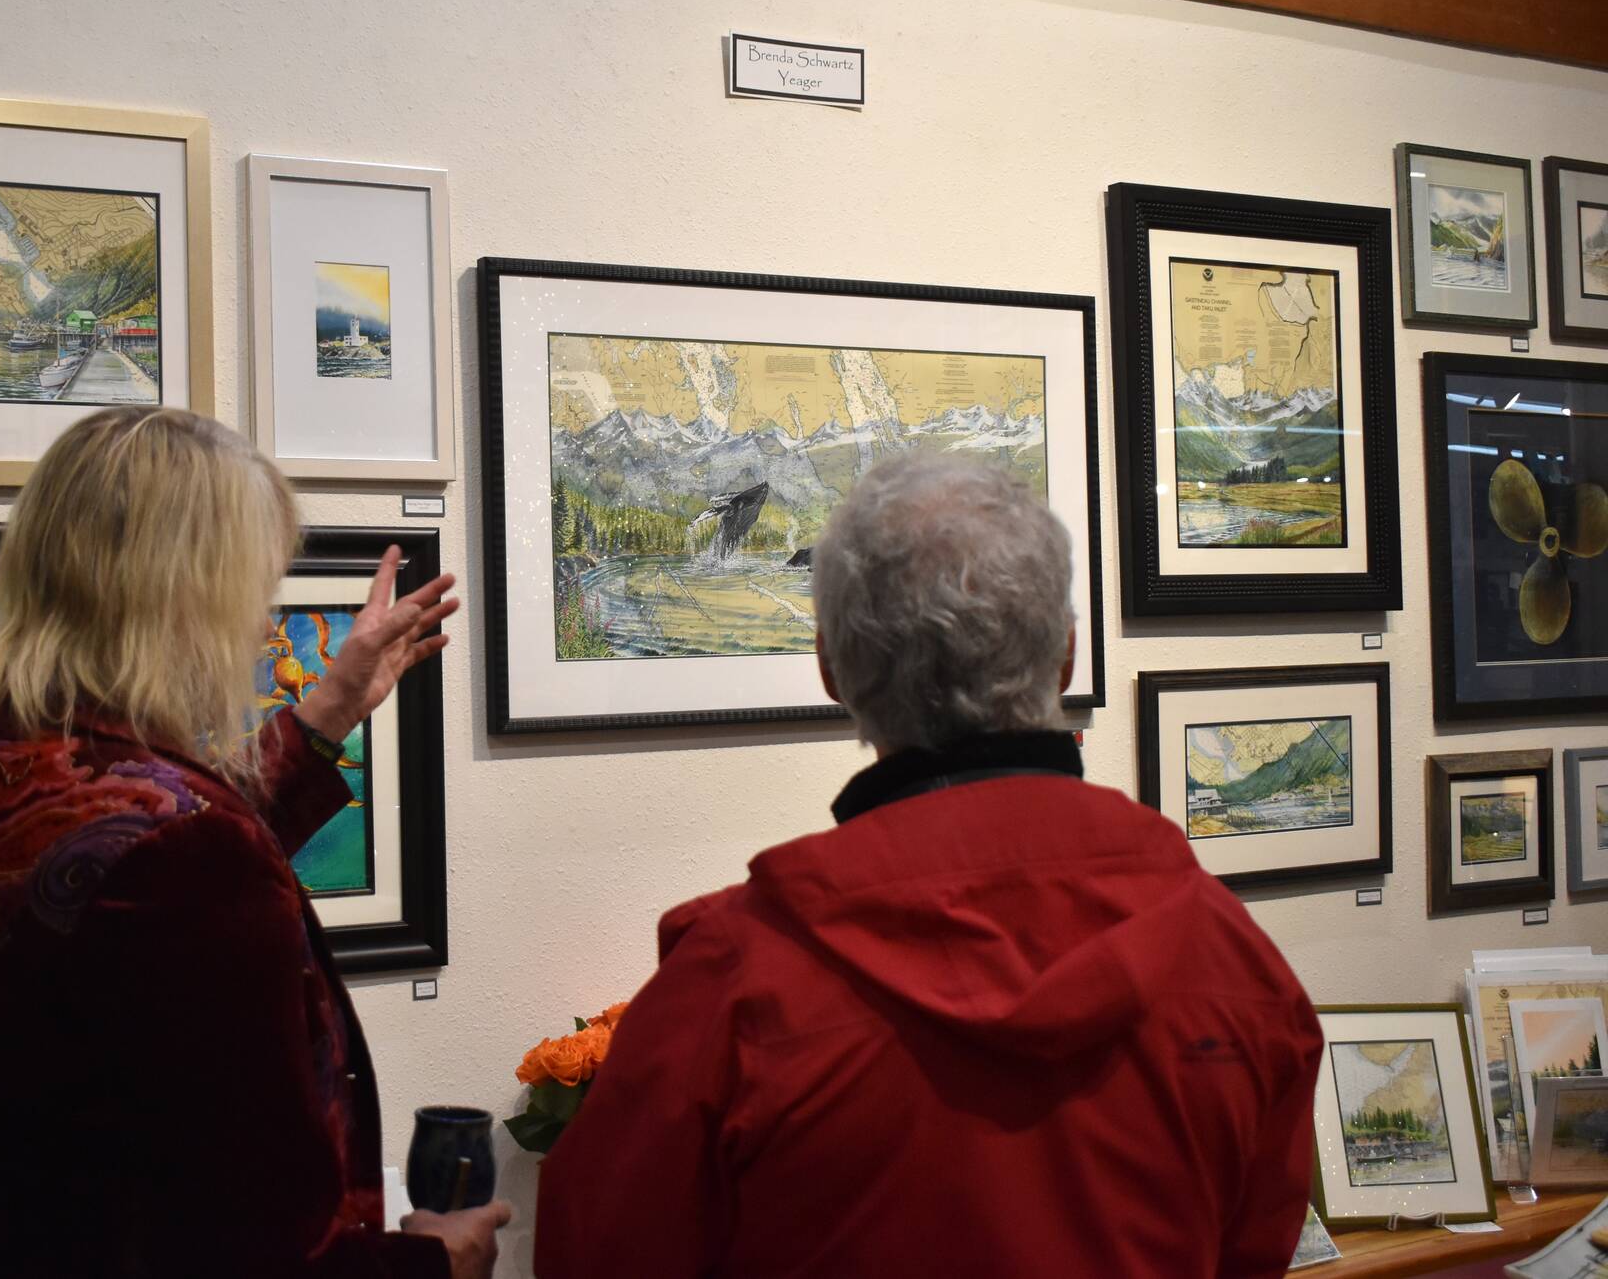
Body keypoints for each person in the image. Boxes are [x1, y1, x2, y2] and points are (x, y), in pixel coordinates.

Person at [534, 455, 1322, 1278]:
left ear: (831, 668)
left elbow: (593, 1252)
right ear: (1065, 657)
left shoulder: (732, 988)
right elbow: (1257, 1247)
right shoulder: (1234, 963)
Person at [0, 408, 509, 1279]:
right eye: (251, 593)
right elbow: (257, 1254)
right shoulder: (190, 855)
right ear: (194, 601)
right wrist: (436, 1264)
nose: (256, 625)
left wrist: (325, 712)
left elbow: (128, 830)